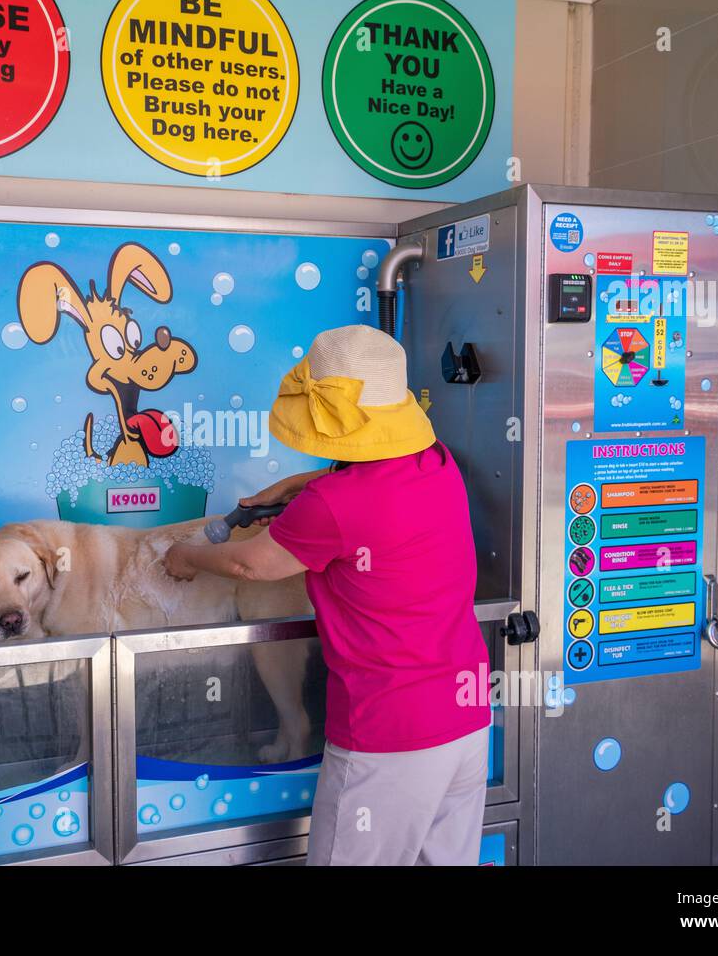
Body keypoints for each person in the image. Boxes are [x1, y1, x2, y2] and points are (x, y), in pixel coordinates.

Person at [164, 323, 489, 865]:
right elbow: (366, 482)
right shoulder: (437, 463)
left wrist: (184, 556)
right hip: (466, 716)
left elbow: (251, 562)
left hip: (390, 734)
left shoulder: (335, 506)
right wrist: (299, 485)